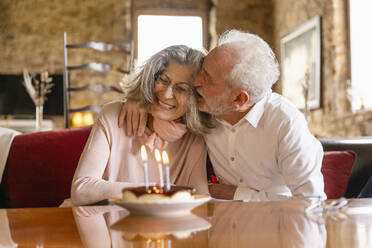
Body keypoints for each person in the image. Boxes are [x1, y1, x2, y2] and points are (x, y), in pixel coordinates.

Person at [119, 29, 326, 201]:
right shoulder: (203, 109)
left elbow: (311, 203)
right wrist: (138, 102)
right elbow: (165, 92)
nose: (195, 81)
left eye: (207, 78)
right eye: (203, 68)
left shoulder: (285, 123)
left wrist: (239, 194)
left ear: (238, 100)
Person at [68, 45, 209, 206]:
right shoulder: (114, 115)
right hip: (104, 222)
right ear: (151, 78)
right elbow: (82, 189)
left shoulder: (195, 136)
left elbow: (201, 199)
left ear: (196, 97)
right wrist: (154, 192)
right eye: (163, 80)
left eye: (182, 89)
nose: (166, 94)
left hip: (165, 227)